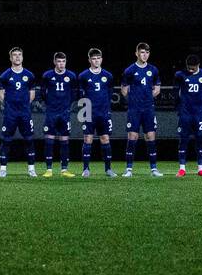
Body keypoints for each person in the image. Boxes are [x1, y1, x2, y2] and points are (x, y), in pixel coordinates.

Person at [120, 42, 163, 177]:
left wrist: (147, 98)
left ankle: (154, 169)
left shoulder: (154, 70)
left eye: (147, 52)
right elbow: (124, 90)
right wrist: (135, 99)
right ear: (137, 53)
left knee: (150, 136)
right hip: (134, 109)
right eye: (142, 52)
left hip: (148, 108)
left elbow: (157, 89)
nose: (145, 55)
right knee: (133, 136)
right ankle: (128, 169)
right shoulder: (129, 70)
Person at [0, 47, 37, 178]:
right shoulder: (5, 75)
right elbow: (0, 94)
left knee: (29, 139)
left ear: (22, 57)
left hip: (25, 113)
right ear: (10, 58)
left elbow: (32, 94)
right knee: (6, 140)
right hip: (10, 114)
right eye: (14, 55)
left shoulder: (29, 75)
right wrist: (9, 106)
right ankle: (3, 169)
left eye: (19, 55)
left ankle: (31, 169)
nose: (17, 57)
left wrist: (24, 105)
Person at [77, 48, 117, 178]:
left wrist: (106, 107)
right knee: (87, 139)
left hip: (104, 111)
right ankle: (86, 169)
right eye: (93, 58)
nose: (96, 60)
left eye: (98, 58)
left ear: (101, 59)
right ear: (89, 60)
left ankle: (108, 169)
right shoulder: (83, 76)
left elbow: (110, 92)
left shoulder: (108, 75)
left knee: (105, 139)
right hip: (88, 110)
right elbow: (80, 94)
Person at [40, 51, 77, 178]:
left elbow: (73, 94)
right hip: (51, 112)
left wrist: (66, 105)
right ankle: (49, 169)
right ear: (55, 62)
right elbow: (43, 93)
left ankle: (64, 169)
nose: (61, 64)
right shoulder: (47, 75)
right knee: (49, 139)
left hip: (64, 112)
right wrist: (51, 104)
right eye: (59, 61)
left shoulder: (71, 76)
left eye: (63, 61)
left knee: (65, 139)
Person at [174, 55, 202, 177]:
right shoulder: (180, 75)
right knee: (183, 139)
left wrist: (198, 103)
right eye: (189, 68)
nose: (190, 70)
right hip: (185, 113)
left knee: (200, 139)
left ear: (198, 65)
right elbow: (176, 93)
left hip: (199, 113)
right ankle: (182, 169)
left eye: (193, 68)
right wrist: (179, 109)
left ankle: (201, 169)